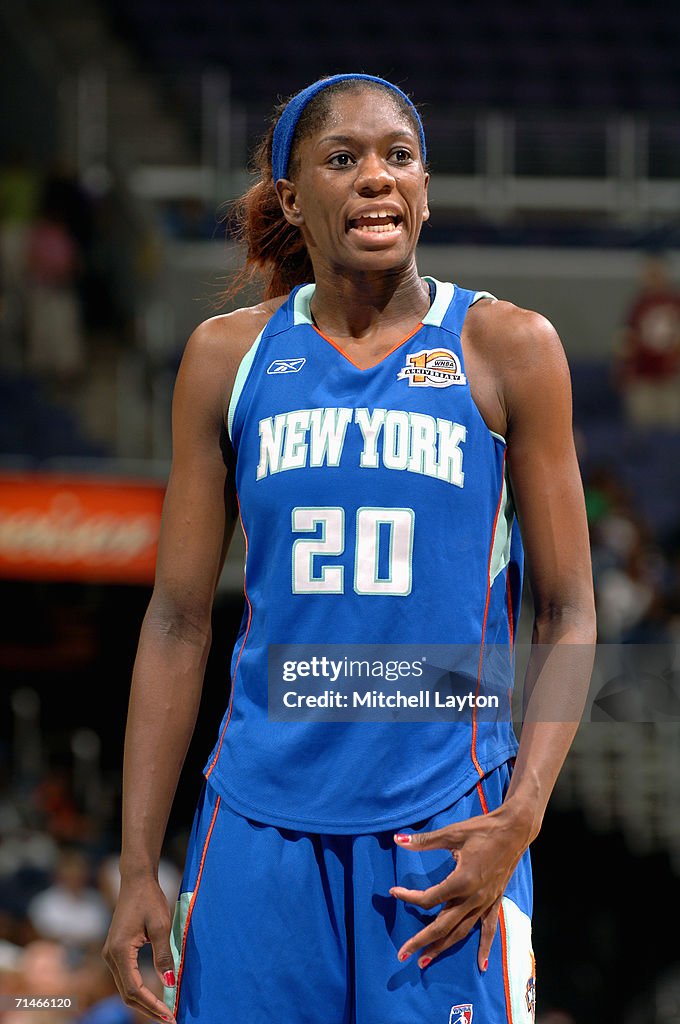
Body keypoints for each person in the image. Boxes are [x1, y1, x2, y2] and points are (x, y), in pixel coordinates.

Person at [102, 74, 596, 1024]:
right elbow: (176, 620)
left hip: (445, 828)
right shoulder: (227, 359)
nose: (377, 179)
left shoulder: (508, 348)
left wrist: (523, 815)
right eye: (344, 159)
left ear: (425, 185)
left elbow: (568, 610)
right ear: (293, 199)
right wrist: (134, 869)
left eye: (398, 157)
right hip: (256, 835)